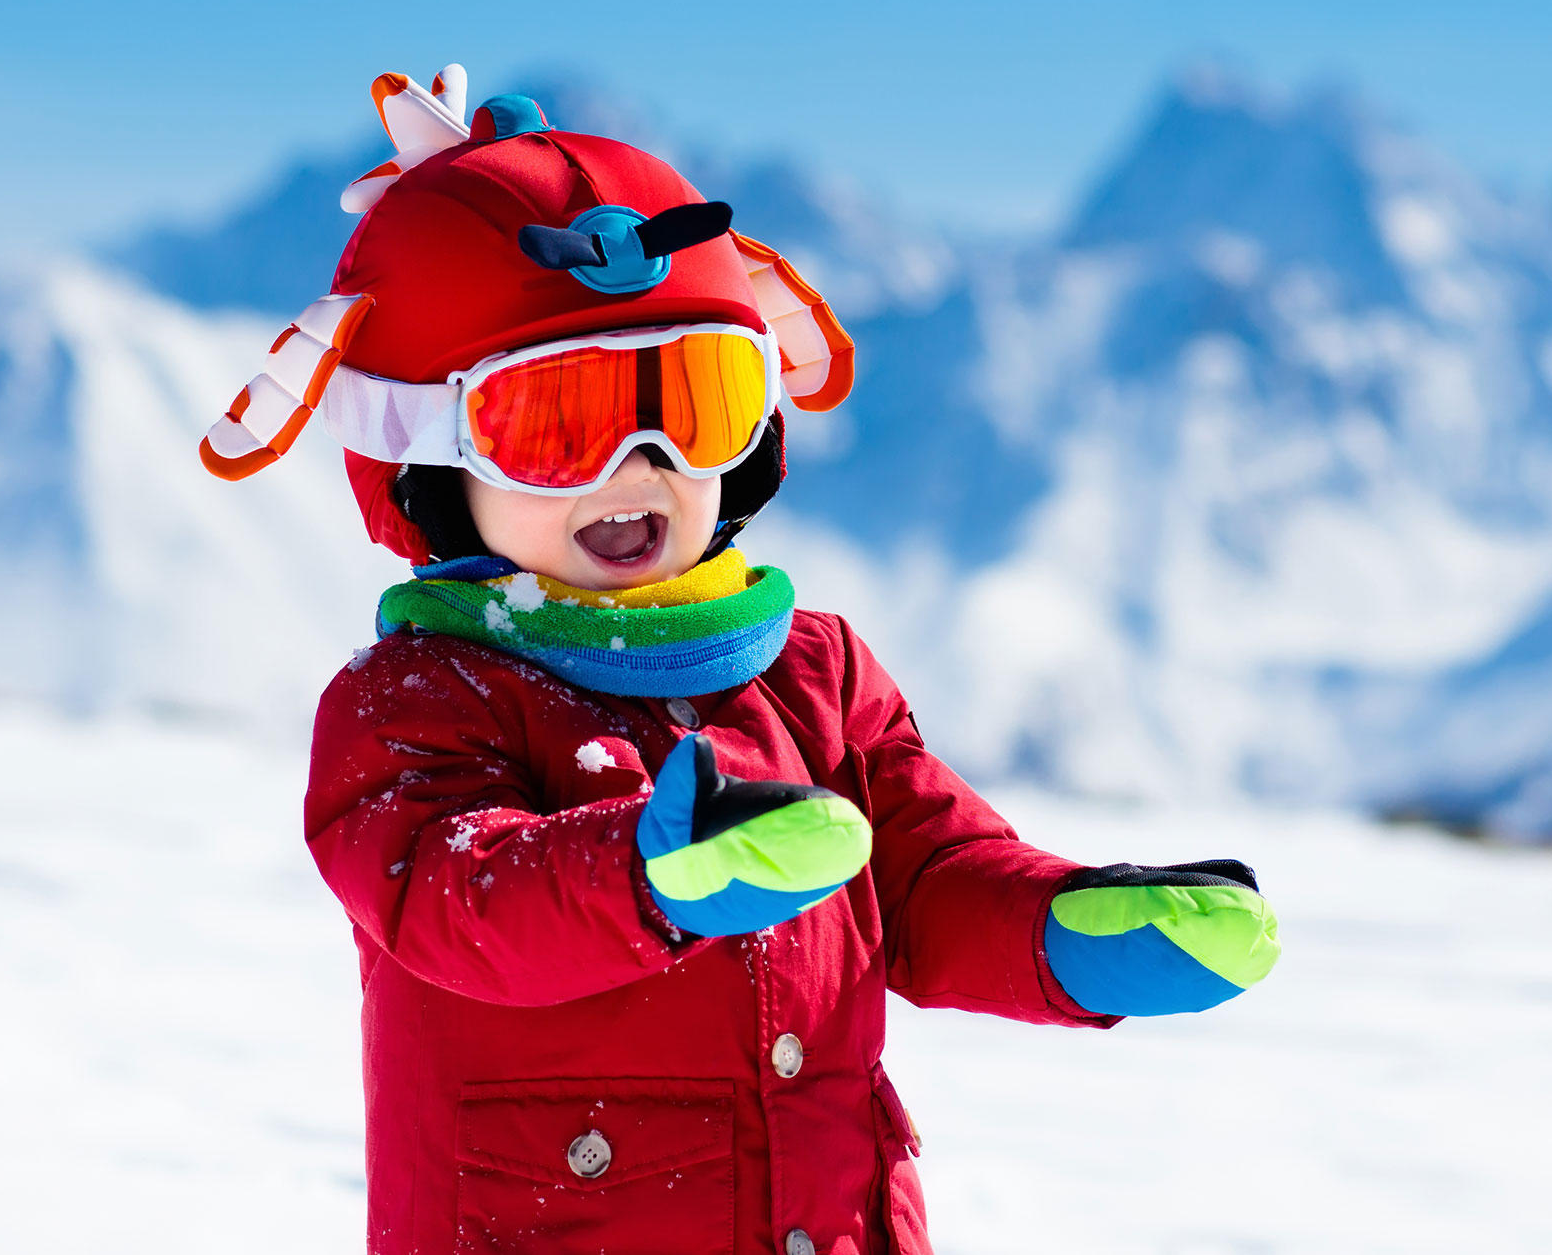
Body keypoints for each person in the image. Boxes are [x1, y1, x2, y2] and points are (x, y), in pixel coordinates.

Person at [202, 67, 1282, 1255]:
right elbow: (457, 898)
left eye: (697, 402)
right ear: (427, 460)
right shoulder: (413, 702)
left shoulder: (809, 674)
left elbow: (924, 879)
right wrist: (643, 874)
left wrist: (1059, 933)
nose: (643, 463)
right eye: (559, 421)